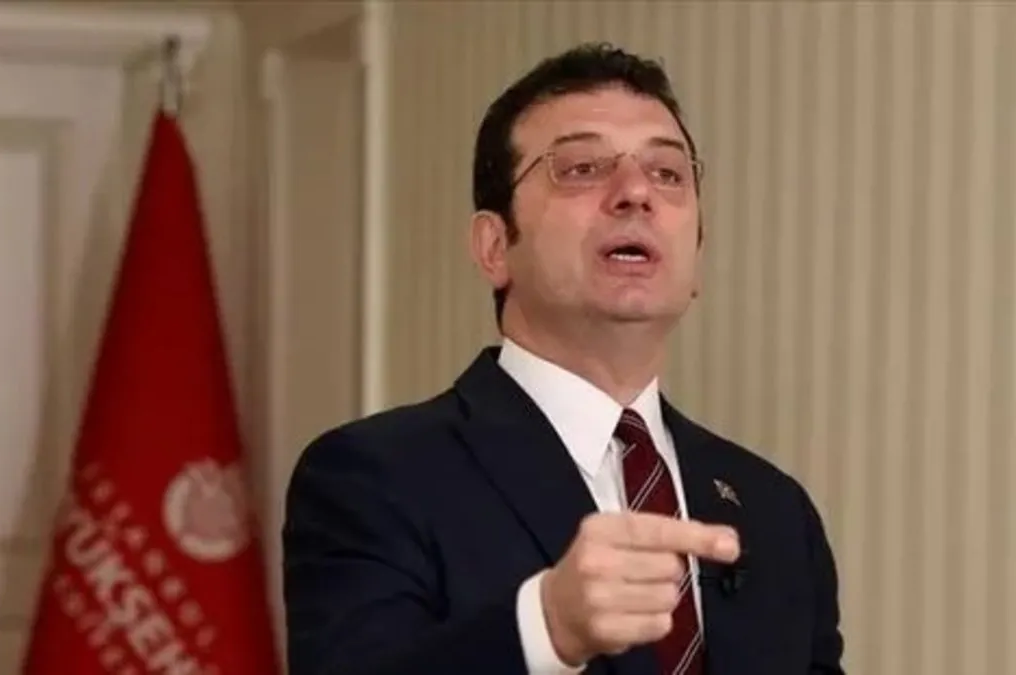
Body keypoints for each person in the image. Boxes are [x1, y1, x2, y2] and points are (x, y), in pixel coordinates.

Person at [282, 42, 845, 675]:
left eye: (667, 173)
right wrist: (546, 628)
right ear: (495, 246)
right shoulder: (374, 478)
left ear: (696, 255)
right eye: (582, 168)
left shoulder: (774, 511)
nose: (636, 192)